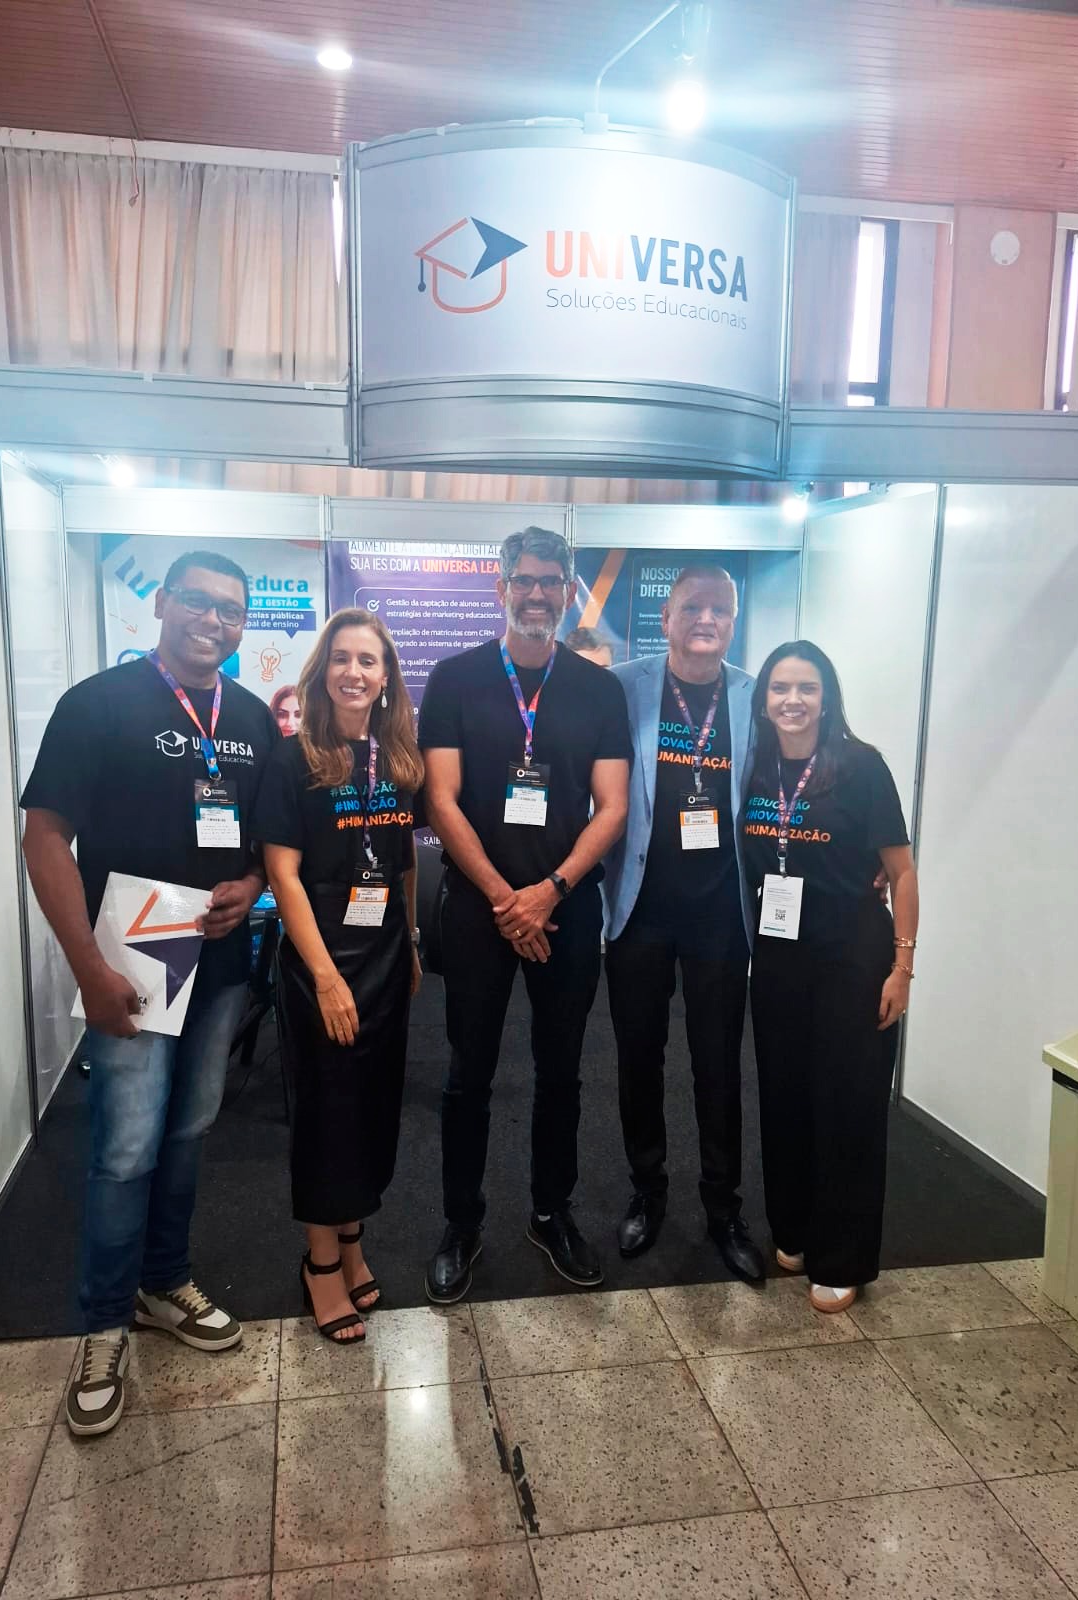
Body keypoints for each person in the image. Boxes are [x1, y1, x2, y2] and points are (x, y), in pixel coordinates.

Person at [21, 550, 276, 1436]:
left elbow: (261, 842)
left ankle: (163, 1283)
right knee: (126, 1146)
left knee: (191, 1128)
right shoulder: (96, 704)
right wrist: (87, 968)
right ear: (162, 604)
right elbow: (45, 838)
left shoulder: (251, 718)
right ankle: (102, 1324)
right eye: (198, 602)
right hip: (130, 957)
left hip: (220, 957)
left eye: (231, 611)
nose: (213, 620)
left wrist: (251, 886)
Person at [419, 527, 631, 1303]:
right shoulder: (455, 679)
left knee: (562, 1071)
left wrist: (550, 891)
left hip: (565, 908)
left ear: (569, 590)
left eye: (551, 582)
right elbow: (441, 800)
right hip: (479, 911)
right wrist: (506, 899)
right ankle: (461, 1222)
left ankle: (551, 1211)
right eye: (525, 580)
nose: (537, 594)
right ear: (501, 587)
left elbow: (612, 807)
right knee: (468, 1073)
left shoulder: (597, 689)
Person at [255, 610, 421, 1344]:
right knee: (326, 1110)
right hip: (321, 956)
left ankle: (353, 1242)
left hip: (384, 953)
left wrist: (410, 944)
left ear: (387, 678)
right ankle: (320, 1263)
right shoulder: (293, 759)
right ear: (324, 669)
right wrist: (324, 977)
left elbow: (404, 863)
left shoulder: (397, 758)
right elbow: (282, 875)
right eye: (343, 658)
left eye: (369, 661)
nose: (355, 672)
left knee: (373, 1104)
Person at [742, 641, 918, 1313]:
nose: (793, 700)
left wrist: (903, 967)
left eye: (807, 688)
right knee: (785, 1096)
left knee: (848, 1104)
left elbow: (902, 873)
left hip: (853, 958)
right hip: (779, 958)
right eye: (780, 687)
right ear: (763, 699)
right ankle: (793, 1230)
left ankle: (842, 1256)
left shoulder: (861, 765)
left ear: (827, 697)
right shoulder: (755, 766)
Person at [601, 567, 766, 1282]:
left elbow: (805, 769)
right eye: (692, 607)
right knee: (639, 1060)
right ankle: (648, 1190)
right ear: (665, 618)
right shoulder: (622, 687)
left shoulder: (755, 695)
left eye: (720, 609)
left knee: (718, 1065)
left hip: (721, 915)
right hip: (639, 907)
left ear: (733, 620)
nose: (706, 619)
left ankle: (723, 1208)